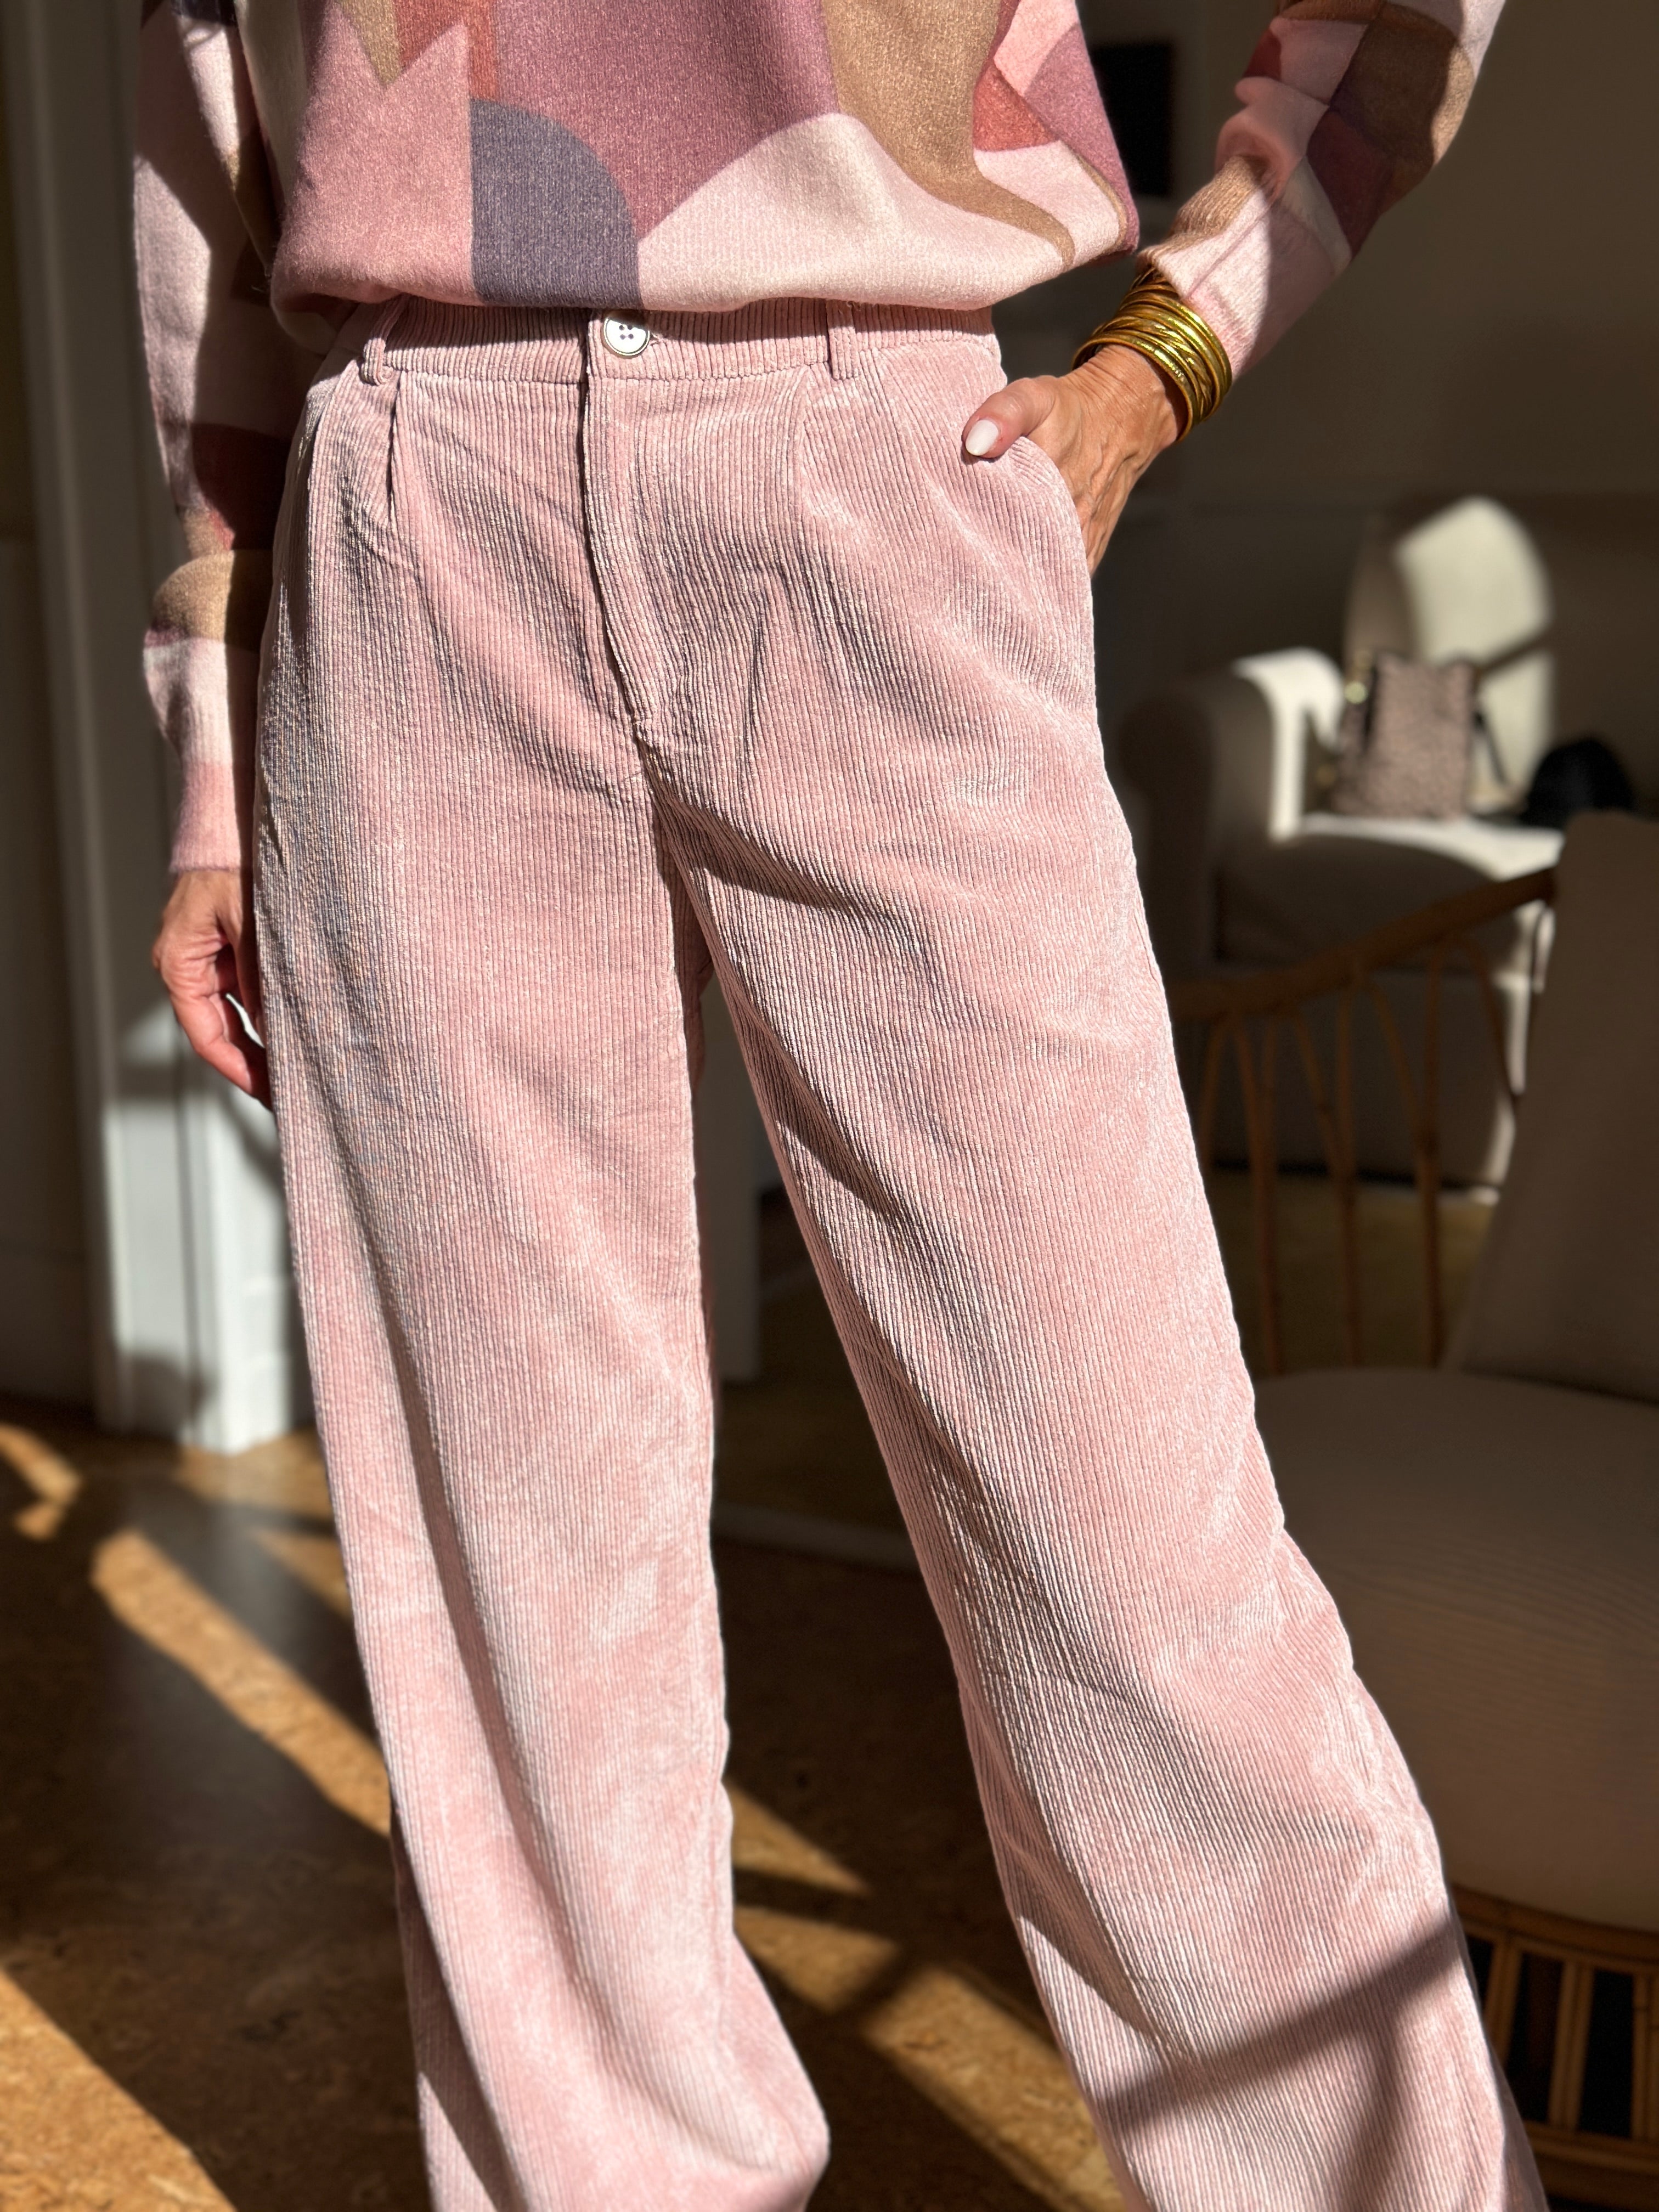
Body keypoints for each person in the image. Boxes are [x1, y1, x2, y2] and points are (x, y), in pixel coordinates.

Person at [139, 5, 1543, 2206]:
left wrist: (1168, 350)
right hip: (409, 505)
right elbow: (199, 123)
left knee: (1131, 1549)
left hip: (877, 459)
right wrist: (215, 752)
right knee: (518, 1586)